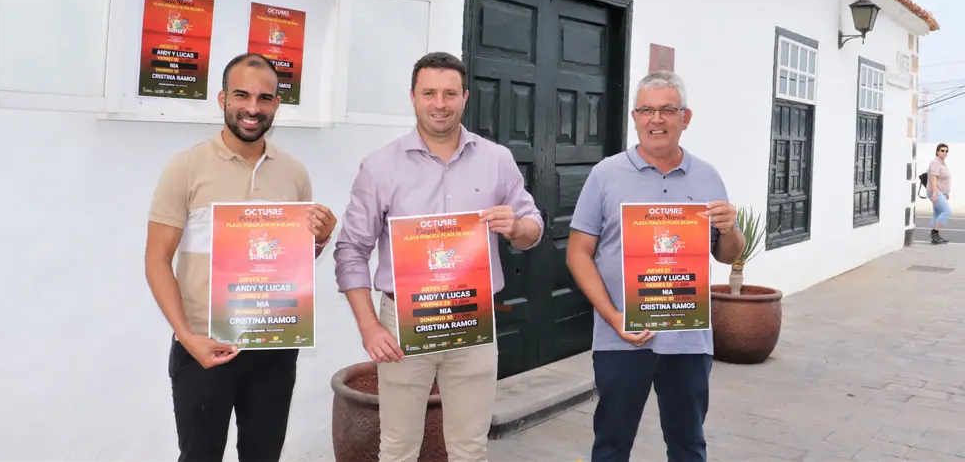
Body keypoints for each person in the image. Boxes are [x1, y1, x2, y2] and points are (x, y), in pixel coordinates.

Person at [333, 51, 544, 462]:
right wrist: (369, 326)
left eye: (450, 93)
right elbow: (350, 250)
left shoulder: (496, 159)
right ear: (412, 96)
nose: (440, 103)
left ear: (465, 97)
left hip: (473, 318)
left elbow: (532, 226)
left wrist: (518, 228)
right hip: (403, 324)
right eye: (429, 92)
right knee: (397, 447)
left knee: (470, 446)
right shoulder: (379, 167)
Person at [144, 52, 338, 462]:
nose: (253, 108)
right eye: (242, 95)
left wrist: (318, 241)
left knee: (263, 455)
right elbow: (157, 260)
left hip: (275, 347)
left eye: (265, 98)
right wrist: (187, 336)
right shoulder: (186, 168)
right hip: (204, 347)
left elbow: (291, 259)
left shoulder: (294, 173)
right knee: (200, 456)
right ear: (222, 99)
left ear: (277, 105)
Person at [565, 71, 744, 462]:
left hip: (688, 341)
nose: (656, 119)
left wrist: (730, 228)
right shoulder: (605, 175)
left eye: (667, 110)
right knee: (611, 445)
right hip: (622, 338)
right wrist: (613, 317)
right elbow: (578, 252)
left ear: (686, 117)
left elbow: (729, 253)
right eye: (647, 109)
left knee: (688, 446)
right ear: (634, 116)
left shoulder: (708, 176)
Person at [927, 143, 952, 244]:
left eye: (946, 151)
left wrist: (945, 192)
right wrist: (934, 193)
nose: (944, 152)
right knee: (947, 211)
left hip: (939, 192)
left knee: (937, 214)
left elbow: (942, 180)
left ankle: (934, 237)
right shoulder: (936, 162)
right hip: (935, 191)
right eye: (942, 150)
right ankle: (934, 232)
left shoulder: (941, 163)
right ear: (937, 152)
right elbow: (934, 179)